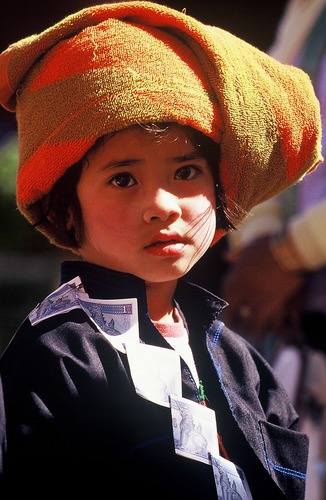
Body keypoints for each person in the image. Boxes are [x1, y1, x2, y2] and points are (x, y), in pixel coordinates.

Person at [0, 1, 322, 498]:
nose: (161, 206)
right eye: (123, 178)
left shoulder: (241, 362)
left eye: (187, 172)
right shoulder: (57, 356)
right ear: (67, 207)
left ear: (219, 189)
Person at [220, 1, 326, 498]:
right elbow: (265, 124)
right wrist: (262, 235)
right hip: (304, 330)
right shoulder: (308, 11)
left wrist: (289, 253)